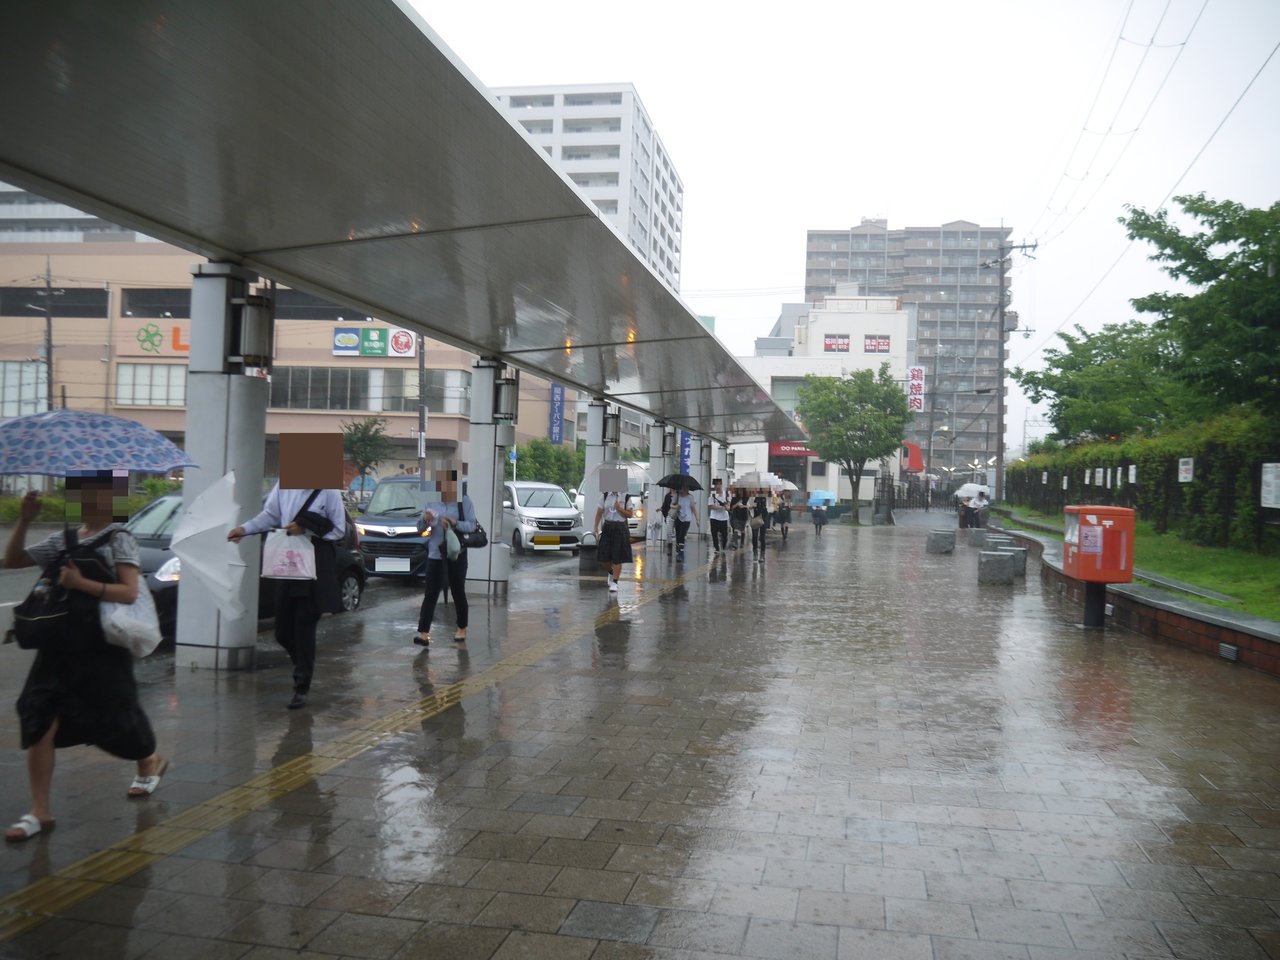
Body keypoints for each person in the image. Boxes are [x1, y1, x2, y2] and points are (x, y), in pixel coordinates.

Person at [3, 473, 168, 841]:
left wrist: (81, 584)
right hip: (59, 645)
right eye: (83, 492)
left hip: (101, 648)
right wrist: (26, 518)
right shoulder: (63, 538)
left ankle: (149, 760)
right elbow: (10, 561)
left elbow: (127, 592)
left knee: (119, 717)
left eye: (99, 493)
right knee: (38, 714)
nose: (90, 499)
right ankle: (39, 811)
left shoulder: (118, 537)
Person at [229, 479, 346, 709]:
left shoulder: (329, 491)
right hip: (287, 562)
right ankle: (303, 664)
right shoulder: (284, 485)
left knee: (304, 626)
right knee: (282, 632)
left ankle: (301, 685)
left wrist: (308, 528)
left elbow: (339, 529)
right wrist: (244, 529)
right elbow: (270, 515)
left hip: (314, 565)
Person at [413, 470, 478, 646]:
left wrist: (455, 523)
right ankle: (423, 633)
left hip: (456, 554)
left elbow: (472, 525)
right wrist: (425, 520)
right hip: (435, 554)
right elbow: (419, 528)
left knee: (457, 591)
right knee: (431, 593)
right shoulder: (430, 501)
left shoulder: (463, 501)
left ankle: (462, 628)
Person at [593, 487, 635, 592]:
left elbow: (630, 514)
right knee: (603, 557)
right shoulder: (605, 495)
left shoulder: (626, 497)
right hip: (607, 526)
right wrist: (595, 528)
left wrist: (619, 509)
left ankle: (615, 582)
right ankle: (611, 572)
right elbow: (599, 512)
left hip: (620, 527)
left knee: (617, 557)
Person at [671, 482, 700, 561]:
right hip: (678, 518)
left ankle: (681, 554)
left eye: (686, 487)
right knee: (677, 535)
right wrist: (676, 506)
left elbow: (693, 509)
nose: (685, 489)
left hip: (687, 519)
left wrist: (697, 520)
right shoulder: (677, 496)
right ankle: (679, 550)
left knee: (681, 536)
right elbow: (671, 505)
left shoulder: (690, 497)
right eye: (683, 487)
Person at [707, 478, 730, 554]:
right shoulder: (712, 495)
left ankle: (723, 546)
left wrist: (727, 507)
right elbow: (710, 506)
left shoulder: (726, 494)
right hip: (714, 517)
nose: (718, 486)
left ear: (721, 484)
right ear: (714, 486)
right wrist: (720, 507)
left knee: (725, 535)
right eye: (716, 484)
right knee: (714, 533)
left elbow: (729, 504)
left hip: (724, 517)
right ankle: (716, 548)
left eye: (719, 484)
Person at [750, 488, 769, 560]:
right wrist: (752, 506)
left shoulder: (767, 497)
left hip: (764, 518)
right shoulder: (752, 497)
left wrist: (766, 507)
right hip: (755, 518)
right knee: (754, 536)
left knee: (762, 537)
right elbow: (748, 506)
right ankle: (755, 553)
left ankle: (762, 555)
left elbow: (771, 507)